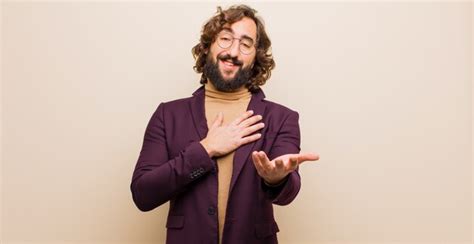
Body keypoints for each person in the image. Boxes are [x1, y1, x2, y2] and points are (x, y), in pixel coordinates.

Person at [130, 4, 319, 244]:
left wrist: (276, 178)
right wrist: (205, 149)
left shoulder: (281, 118)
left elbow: (287, 193)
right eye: (225, 38)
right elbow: (143, 194)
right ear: (208, 45)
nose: (233, 51)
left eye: (246, 44)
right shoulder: (168, 115)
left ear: (256, 56)